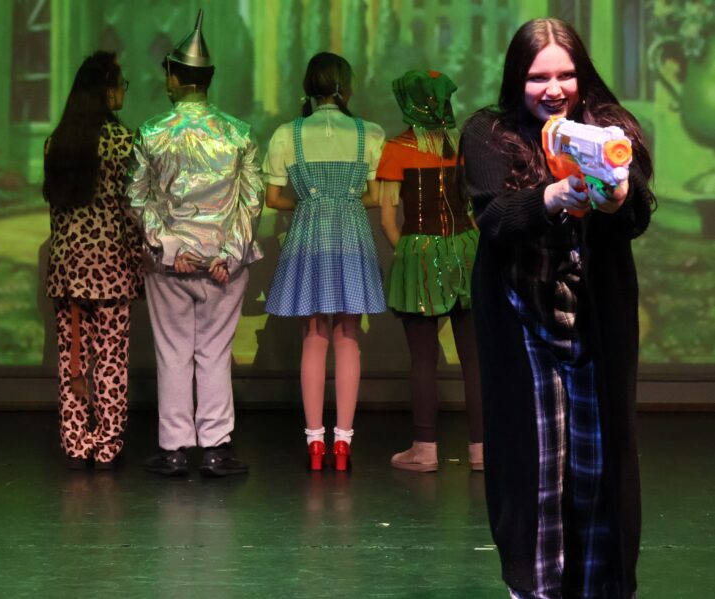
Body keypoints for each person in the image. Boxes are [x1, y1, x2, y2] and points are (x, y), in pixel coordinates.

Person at [459, 18, 654, 599]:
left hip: (594, 325)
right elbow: (493, 218)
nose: (553, 88)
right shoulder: (488, 133)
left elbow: (639, 211)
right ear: (517, 78)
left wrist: (616, 195)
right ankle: (534, 589)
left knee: (598, 471)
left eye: (565, 74)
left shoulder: (611, 127)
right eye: (539, 76)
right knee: (535, 473)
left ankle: (598, 586)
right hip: (523, 324)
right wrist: (551, 197)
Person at [128, 11, 263, 478]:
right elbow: (252, 202)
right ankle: (214, 447)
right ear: (208, 79)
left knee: (173, 352)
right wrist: (228, 254)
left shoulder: (151, 133)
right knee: (214, 352)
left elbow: (137, 199)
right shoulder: (239, 134)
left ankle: (174, 448)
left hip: (169, 265)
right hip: (224, 267)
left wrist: (168, 248)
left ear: (173, 74)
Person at [263, 52, 386, 471]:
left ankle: (315, 443)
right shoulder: (368, 133)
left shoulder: (287, 133)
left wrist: (311, 199)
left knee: (312, 335)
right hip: (351, 233)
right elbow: (376, 195)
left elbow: (274, 198)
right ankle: (343, 443)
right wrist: (345, 199)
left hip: (309, 234)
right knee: (348, 334)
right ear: (346, 87)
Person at [375, 70, 483, 473]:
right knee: (474, 359)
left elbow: (388, 219)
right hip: (467, 252)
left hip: (419, 251)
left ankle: (425, 449)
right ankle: (481, 450)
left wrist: (410, 252)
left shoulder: (395, 148)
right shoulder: (462, 146)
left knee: (423, 360)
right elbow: (473, 213)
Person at [43, 51, 143, 470]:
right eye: (121, 83)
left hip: (67, 270)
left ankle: (76, 441)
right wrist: (138, 262)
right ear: (106, 90)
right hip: (112, 268)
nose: (123, 91)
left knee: (72, 359)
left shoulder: (56, 141)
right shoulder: (123, 142)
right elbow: (133, 210)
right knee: (112, 360)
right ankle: (106, 445)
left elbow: (56, 213)